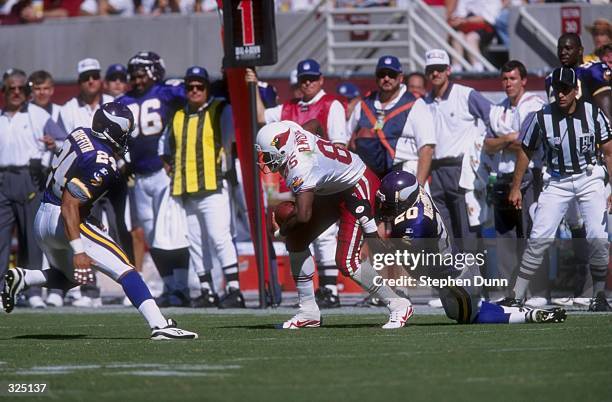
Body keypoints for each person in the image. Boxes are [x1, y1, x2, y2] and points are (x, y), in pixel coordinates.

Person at [1, 102, 197, 340]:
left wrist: (89, 216)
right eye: (122, 133)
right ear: (110, 131)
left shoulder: (80, 132)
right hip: (64, 218)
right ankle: (159, 325)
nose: (125, 139)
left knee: (71, 278)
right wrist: (79, 249)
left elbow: (70, 183)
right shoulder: (102, 162)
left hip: (43, 216)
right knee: (126, 270)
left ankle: (25, 278)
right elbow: (70, 203)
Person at [257, 121, 413, 329]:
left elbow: (303, 216)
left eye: (268, 155)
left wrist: (281, 231)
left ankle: (398, 304)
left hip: (358, 185)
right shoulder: (291, 129)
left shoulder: (300, 165)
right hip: (335, 186)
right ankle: (308, 312)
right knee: (297, 241)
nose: (266, 161)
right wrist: (327, 160)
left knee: (346, 261)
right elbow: (314, 125)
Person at [375, 170, 566, 324]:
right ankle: (524, 311)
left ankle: (527, 317)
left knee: (471, 317)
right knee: (477, 308)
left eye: (390, 205)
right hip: (457, 269)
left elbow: (410, 266)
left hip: (456, 279)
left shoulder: (418, 222)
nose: (385, 209)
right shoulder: (416, 196)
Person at [500, 67, 612, 312]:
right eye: (556, 89)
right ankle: (517, 295)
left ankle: (600, 294)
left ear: (575, 90)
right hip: (557, 180)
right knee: (539, 237)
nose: (559, 94)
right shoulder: (543, 116)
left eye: (564, 89)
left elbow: (609, 149)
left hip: (589, 176)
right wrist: (516, 187)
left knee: (597, 236)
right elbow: (525, 151)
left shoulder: (593, 113)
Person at [247, 59, 348, 308]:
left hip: (321, 176)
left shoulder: (331, 105)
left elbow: (339, 144)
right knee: (304, 231)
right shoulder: (287, 108)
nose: (308, 83)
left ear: (321, 80)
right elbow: (261, 116)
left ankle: (330, 289)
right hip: (297, 177)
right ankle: (312, 294)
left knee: (325, 233)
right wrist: (253, 85)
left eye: (312, 78)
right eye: (304, 79)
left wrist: (315, 166)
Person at [162, 66, 245, 308]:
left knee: (220, 238)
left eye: (200, 86)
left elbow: (232, 140)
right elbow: (166, 147)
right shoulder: (178, 116)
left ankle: (234, 289)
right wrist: (169, 166)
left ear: (207, 88)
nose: (195, 90)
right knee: (196, 243)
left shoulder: (221, 110)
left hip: (214, 187)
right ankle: (206, 290)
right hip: (187, 189)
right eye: (190, 87)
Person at [116, 51, 191, 307]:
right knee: (150, 234)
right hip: (139, 177)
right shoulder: (123, 100)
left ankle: (181, 286)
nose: (136, 81)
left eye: (141, 75)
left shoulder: (167, 92)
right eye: (133, 76)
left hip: (164, 173)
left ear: (155, 73)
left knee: (170, 231)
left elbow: (193, 98)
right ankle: (170, 286)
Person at [0, 68, 66, 310]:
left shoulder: (38, 115)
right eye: (11, 88)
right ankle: (2, 291)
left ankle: (34, 291)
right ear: (4, 91)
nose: (16, 92)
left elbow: (64, 141)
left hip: (31, 177)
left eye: (20, 88)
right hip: (2, 178)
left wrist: (53, 143)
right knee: (1, 239)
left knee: (33, 238)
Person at [484, 60, 546, 306]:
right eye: (505, 79)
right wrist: (509, 138)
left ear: (524, 80)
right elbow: (487, 144)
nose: (508, 83)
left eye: (512, 78)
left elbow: (526, 143)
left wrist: (504, 140)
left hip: (528, 174)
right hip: (503, 175)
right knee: (505, 238)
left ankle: (535, 291)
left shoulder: (533, 104)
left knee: (529, 233)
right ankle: (510, 292)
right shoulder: (497, 108)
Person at [422, 49, 493, 249]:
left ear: (448, 70)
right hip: (435, 171)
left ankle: (473, 278)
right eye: (431, 70)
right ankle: (453, 278)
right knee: (445, 233)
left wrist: (483, 149)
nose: (435, 74)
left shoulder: (465, 94)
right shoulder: (425, 101)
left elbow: (493, 116)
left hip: (461, 168)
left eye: (439, 69)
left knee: (467, 231)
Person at [60, 58, 116, 308]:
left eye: (94, 75)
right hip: (79, 180)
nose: (91, 81)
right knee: (76, 229)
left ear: (100, 78)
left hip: (110, 177)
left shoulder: (113, 105)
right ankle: (79, 286)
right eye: (86, 77)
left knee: (113, 229)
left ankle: (101, 285)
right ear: (79, 82)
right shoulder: (67, 109)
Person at [347, 55, 435, 184]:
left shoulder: (416, 104)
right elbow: (346, 141)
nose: (386, 78)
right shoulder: (364, 104)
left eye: (392, 74)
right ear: (376, 77)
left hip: (404, 171)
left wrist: (419, 185)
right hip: (368, 172)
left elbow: (427, 148)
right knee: (364, 133)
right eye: (382, 74)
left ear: (400, 77)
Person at [545, 33, 611, 119]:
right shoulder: (551, 78)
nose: (563, 52)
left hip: (590, 129)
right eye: (560, 49)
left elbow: (607, 116)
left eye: (568, 48)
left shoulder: (593, 70)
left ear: (580, 50)